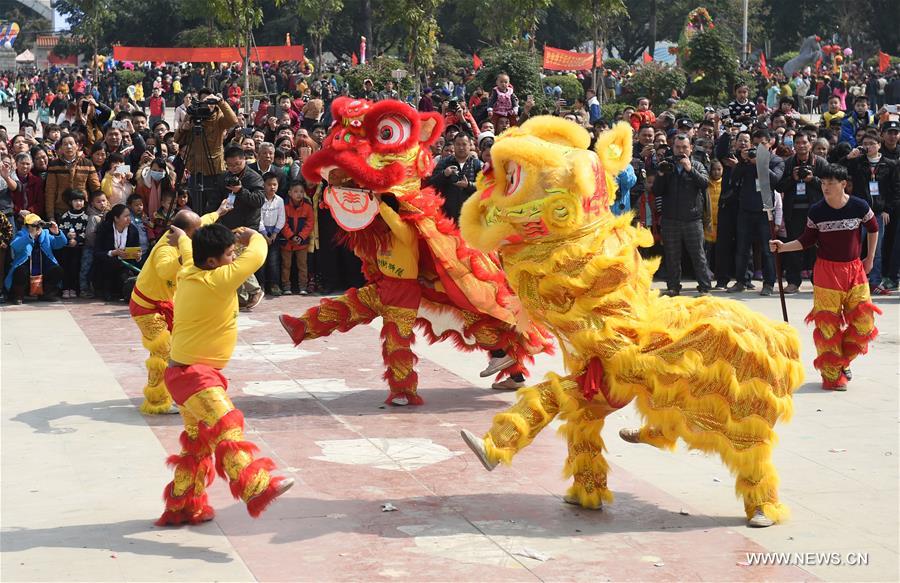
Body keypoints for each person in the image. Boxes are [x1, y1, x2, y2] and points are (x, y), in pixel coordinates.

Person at [156, 224, 293, 526]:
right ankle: (255, 486)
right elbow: (257, 255)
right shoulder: (218, 280)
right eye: (231, 254)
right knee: (227, 427)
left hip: (184, 374)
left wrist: (183, 240)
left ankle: (183, 506)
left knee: (196, 444)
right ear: (213, 262)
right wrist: (252, 237)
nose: (234, 258)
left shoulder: (189, 273)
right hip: (195, 377)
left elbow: (191, 254)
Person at [770, 164, 881, 390]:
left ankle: (842, 361)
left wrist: (869, 258)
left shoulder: (859, 205)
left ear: (843, 184)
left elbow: (873, 228)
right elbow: (806, 240)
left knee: (864, 324)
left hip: (855, 271)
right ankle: (832, 376)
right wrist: (782, 247)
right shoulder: (817, 211)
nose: (826, 187)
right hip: (827, 273)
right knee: (828, 328)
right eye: (823, 183)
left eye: (831, 183)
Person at [129, 202, 228, 415]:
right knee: (163, 351)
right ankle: (156, 401)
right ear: (183, 232)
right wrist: (183, 256)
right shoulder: (166, 248)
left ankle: (172, 392)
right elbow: (165, 271)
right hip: (147, 308)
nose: (198, 235)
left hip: (164, 304)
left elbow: (202, 221)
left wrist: (218, 212)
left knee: (175, 349)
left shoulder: (186, 233)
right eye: (195, 233)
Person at [653, 134, 712, 296]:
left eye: (684, 147)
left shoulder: (697, 165)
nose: (681, 150)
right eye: (678, 147)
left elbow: (705, 183)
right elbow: (656, 191)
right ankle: (673, 286)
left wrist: (689, 169)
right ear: (672, 148)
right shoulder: (667, 165)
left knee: (698, 255)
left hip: (692, 219)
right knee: (672, 255)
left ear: (690, 148)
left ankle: (705, 286)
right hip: (670, 220)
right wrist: (661, 175)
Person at [727, 129, 784, 296]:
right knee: (742, 248)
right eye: (755, 145)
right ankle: (741, 280)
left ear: (770, 143)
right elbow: (734, 179)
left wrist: (761, 163)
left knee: (768, 250)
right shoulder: (747, 161)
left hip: (766, 210)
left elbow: (775, 180)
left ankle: (768, 283)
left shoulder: (776, 160)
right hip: (745, 209)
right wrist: (743, 162)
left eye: (762, 145)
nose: (758, 148)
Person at [842, 132, 900, 290]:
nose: (868, 146)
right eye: (865, 144)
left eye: (871, 143)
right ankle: (855, 280)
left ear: (879, 145)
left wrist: (887, 209)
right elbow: (836, 168)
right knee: (855, 248)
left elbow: (895, 190)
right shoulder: (857, 163)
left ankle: (875, 281)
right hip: (860, 212)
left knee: (877, 249)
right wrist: (849, 157)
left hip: (879, 213)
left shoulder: (889, 164)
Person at [777, 132, 828, 293]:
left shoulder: (820, 162)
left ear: (810, 144)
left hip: (816, 212)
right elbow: (779, 187)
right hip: (794, 212)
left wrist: (812, 179)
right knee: (794, 246)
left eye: (804, 142)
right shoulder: (788, 163)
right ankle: (793, 281)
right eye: (797, 143)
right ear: (794, 145)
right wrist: (792, 178)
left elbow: (828, 185)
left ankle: (818, 281)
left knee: (817, 248)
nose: (801, 145)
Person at [215, 146, 266, 309]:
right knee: (230, 261)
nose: (234, 168)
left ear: (245, 160)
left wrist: (240, 190)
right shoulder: (224, 177)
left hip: (247, 226)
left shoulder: (254, 178)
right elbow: (217, 198)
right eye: (230, 165)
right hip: (227, 224)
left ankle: (255, 290)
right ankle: (242, 296)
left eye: (237, 164)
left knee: (237, 260)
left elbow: (259, 201)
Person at [174, 89, 238, 213]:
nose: (207, 105)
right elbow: (177, 139)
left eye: (210, 101)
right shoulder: (193, 115)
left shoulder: (218, 117)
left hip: (214, 170)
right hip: (195, 169)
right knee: (197, 208)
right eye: (204, 101)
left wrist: (221, 102)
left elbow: (233, 121)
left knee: (215, 206)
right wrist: (183, 127)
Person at [4, 213, 66, 304]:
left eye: (40, 225)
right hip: (26, 269)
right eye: (34, 225)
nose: (38, 228)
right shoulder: (21, 234)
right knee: (20, 271)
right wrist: (30, 236)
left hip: (43, 268)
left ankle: (47, 294)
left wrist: (57, 233)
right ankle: (18, 295)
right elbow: (15, 246)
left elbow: (60, 244)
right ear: (26, 226)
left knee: (57, 270)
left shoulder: (46, 234)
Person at [45, 135, 101, 220]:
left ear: (77, 146)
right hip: (61, 210)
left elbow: (96, 188)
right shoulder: (54, 165)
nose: (68, 147)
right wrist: (50, 216)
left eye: (71, 144)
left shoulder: (87, 163)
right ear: (61, 148)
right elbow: (50, 191)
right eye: (65, 144)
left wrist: (103, 207)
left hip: (82, 209)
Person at [428, 133, 481, 222]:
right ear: (454, 145)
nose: (461, 147)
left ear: (470, 145)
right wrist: (444, 174)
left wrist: (469, 185)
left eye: (464, 144)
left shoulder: (476, 164)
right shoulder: (444, 163)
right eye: (458, 144)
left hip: (469, 214)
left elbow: (484, 187)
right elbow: (431, 185)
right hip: (447, 215)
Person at [93, 203, 141, 301]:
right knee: (110, 264)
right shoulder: (105, 228)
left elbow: (136, 249)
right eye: (126, 216)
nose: (129, 219)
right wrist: (113, 252)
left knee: (127, 275)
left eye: (129, 216)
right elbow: (97, 252)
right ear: (116, 218)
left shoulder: (133, 230)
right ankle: (106, 291)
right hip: (106, 263)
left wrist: (137, 256)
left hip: (126, 264)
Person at [281, 181, 314, 296]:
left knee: (302, 265)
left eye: (301, 192)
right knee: (286, 264)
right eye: (295, 191)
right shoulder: (284, 206)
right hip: (287, 242)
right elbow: (283, 223)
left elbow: (310, 223)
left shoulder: (307, 206)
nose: (299, 194)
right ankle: (286, 286)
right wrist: (290, 236)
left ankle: (303, 286)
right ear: (290, 193)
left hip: (302, 242)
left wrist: (300, 236)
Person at [57, 189, 89, 298]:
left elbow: (86, 232)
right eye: (75, 200)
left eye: (81, 200)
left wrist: (77, 240)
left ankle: (74, 289)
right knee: (66, 267)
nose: (78, 203)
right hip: (66, 248)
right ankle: (65, 288)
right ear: (71, 202)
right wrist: (67, 236)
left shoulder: (86, 217)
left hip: (78, 248)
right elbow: (60, 230)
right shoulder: (65, 216)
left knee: (76, 268)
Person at [258, 172, 286, 296]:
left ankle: (274, 284)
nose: (272, 187)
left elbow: (282, 218)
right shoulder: (259, 199)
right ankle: (261, 285)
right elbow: (258, 218)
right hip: (261, 234)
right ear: (263, 185)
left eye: (275, 184)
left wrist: (275, 233)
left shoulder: (279, 201)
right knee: (261, 260)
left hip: (275, 233)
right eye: (269, 184)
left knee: (274, 260)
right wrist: (264, 234)